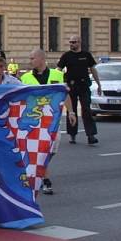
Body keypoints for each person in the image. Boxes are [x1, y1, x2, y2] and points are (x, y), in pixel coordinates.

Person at [20, 49, 78, 195]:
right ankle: (45, 180)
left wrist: (71, 112)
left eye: (32, 58)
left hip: (53, 120)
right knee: (41, 150)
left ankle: (39, 172)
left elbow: (65, 95)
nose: (30, 61)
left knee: (51, 151)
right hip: (33, 120)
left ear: (41, 59)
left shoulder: (57, 75)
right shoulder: (25, 78)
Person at [57, 35, 102, 145]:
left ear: (79, 42)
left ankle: (91, 135)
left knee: (86, 110)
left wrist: (99, 84)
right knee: (71, 111)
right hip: (71, 86)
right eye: (70, 42)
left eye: (74, 42)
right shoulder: (66, 56)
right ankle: (72, 135)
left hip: (84, 86)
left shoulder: (86, 55)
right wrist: (58, 85)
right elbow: (58, 70)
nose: (72, 44)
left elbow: (93, 69)